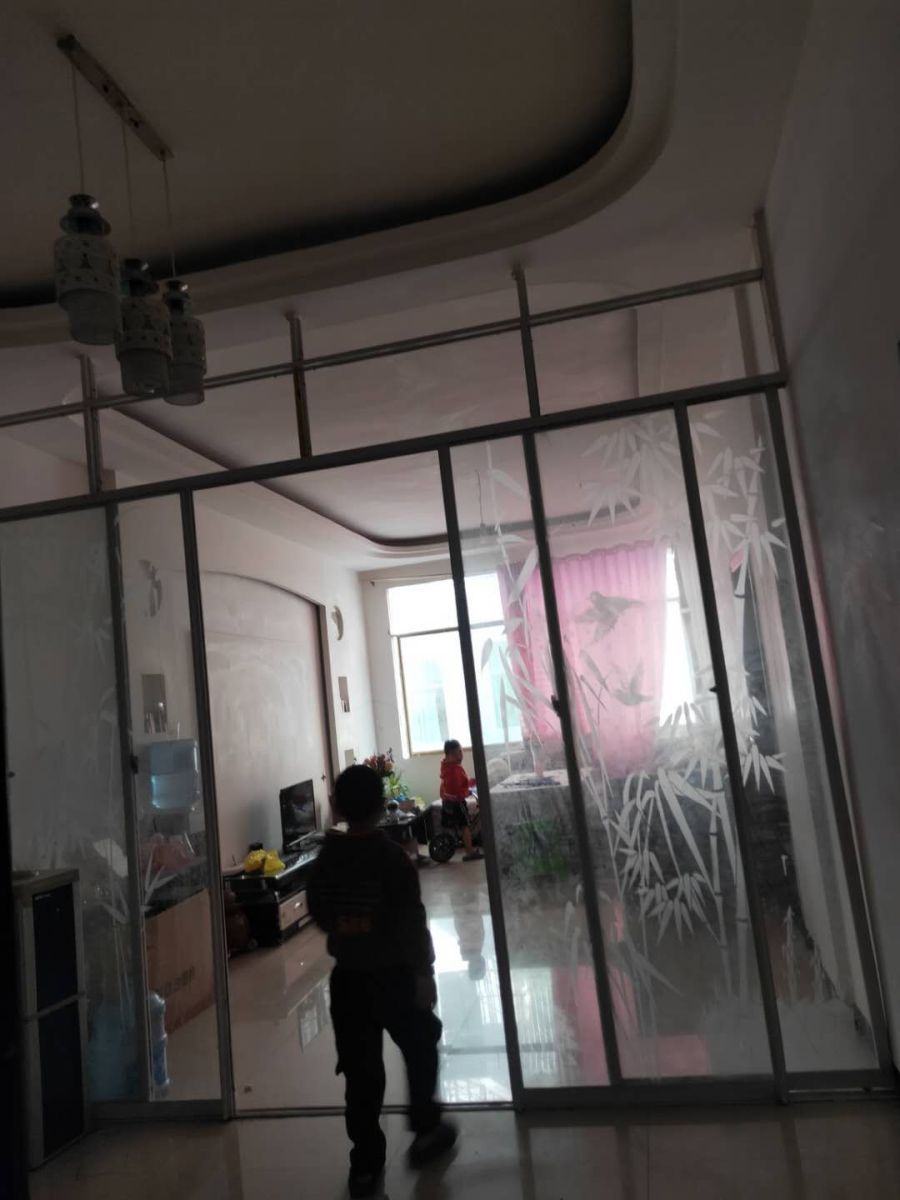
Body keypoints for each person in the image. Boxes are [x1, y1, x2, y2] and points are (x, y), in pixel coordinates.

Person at [307, 764, 456, 1198]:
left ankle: (366, 1165)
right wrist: (424, 972)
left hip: (349, 981)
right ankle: (426, 1128)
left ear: (337, 807)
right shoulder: (393, 859)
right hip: (395, 976)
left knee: (361, 1073)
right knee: (421, 1043)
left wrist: (345, 925)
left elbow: (317, 909)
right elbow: (412, 921)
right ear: (381, 807)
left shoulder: (326, 859)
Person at [439, 739, 483, 862]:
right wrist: (467, 792)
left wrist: (471, 782)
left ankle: (459, 842)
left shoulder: (448, 767)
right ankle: (470, 852)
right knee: (465, 826)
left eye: (460, 752)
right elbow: (457, 790)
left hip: (448, 801)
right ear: (449, 755)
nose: (460, 755)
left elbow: (461, 783)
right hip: (456, 803)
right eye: (456, 753)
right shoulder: (453, 770)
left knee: (459, 825)